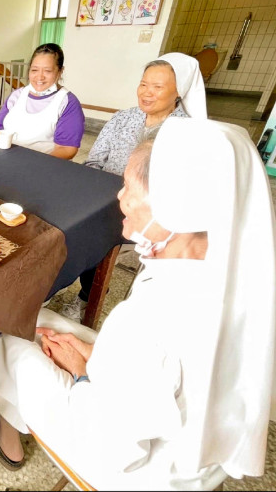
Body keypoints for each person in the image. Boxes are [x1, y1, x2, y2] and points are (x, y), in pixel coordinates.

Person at [0, 117, 276, 489]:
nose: (119, 198)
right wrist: (99, 357)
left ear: (174, 204)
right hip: (195, 448)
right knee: (35, 319)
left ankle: (7, 437)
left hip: (145, 471)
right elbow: (159, 377)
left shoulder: (152, 321)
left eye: (129, 187)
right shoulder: (241, 274)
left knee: (9, 334)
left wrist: (82, 374)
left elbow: (113, 445)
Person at [62, 52, 207, 321]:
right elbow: (94, 161)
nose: (147, 93)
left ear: (179, 92)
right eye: (143, 84)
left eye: (157, 87)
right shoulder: (122, 118)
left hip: (148, 214)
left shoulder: (188, 132)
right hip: (103, 198)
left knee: (96, 236)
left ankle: (86, 298)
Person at [0, 43, 85, 159]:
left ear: (60, 71)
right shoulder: (17, 95)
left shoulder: (68, 103)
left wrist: (35, 165)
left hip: (41, 167)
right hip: (6, 159)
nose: (39, 77)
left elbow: (67, 149)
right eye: (34, 70)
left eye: (47, 71)